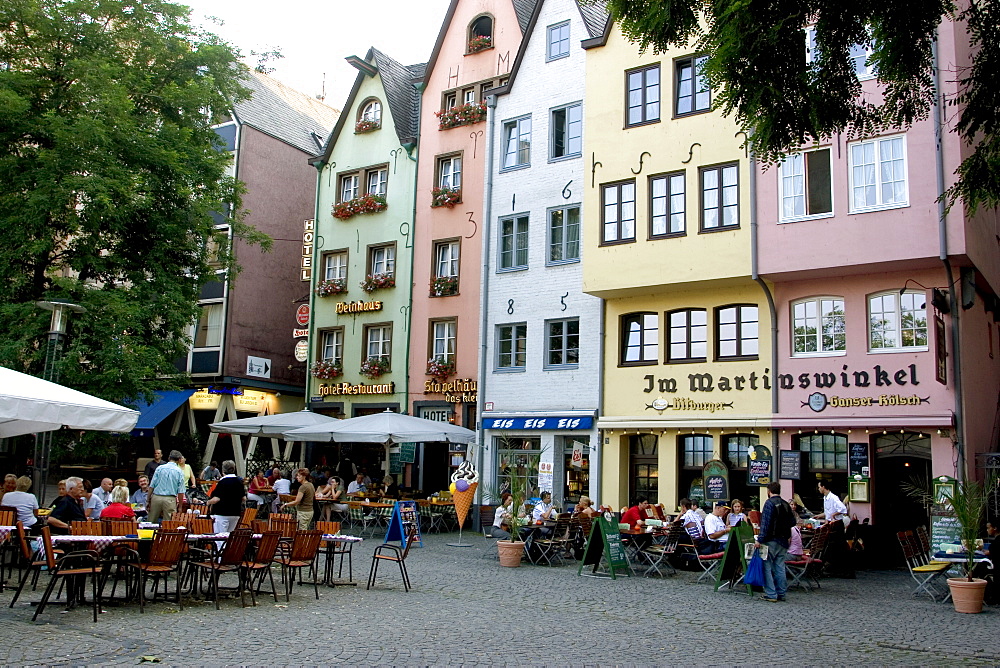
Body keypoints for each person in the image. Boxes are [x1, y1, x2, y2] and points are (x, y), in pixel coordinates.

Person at [755, 481, 795, 602]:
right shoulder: (785, 504)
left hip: (771, 540)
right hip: (783, 540)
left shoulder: (769, 503)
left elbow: (765, 524)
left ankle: (771, 593)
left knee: (766, 566)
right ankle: (781, 593)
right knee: (780, 567)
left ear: (769, 491)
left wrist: (760, 539)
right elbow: (792, 522)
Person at [147, 450, 187, 523]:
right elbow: (181, 491)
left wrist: (148, 500)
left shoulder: (159, 468)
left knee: (151, 521)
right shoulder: (179, 471)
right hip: (170, 499)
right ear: (179, 460)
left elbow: (152, 486)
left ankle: (149, 533)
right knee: (169, 523)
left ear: (169, 458)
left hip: (156, 497)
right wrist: (180, 506)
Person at [206, 460, 245, 534]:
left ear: (223, 470)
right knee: (230, 536)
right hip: (235, 513)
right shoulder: (239, 481)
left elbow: (216, 499)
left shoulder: (222, 482)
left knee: (220, 537)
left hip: (222, 513)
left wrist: (208, 502)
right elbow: (244, 498)